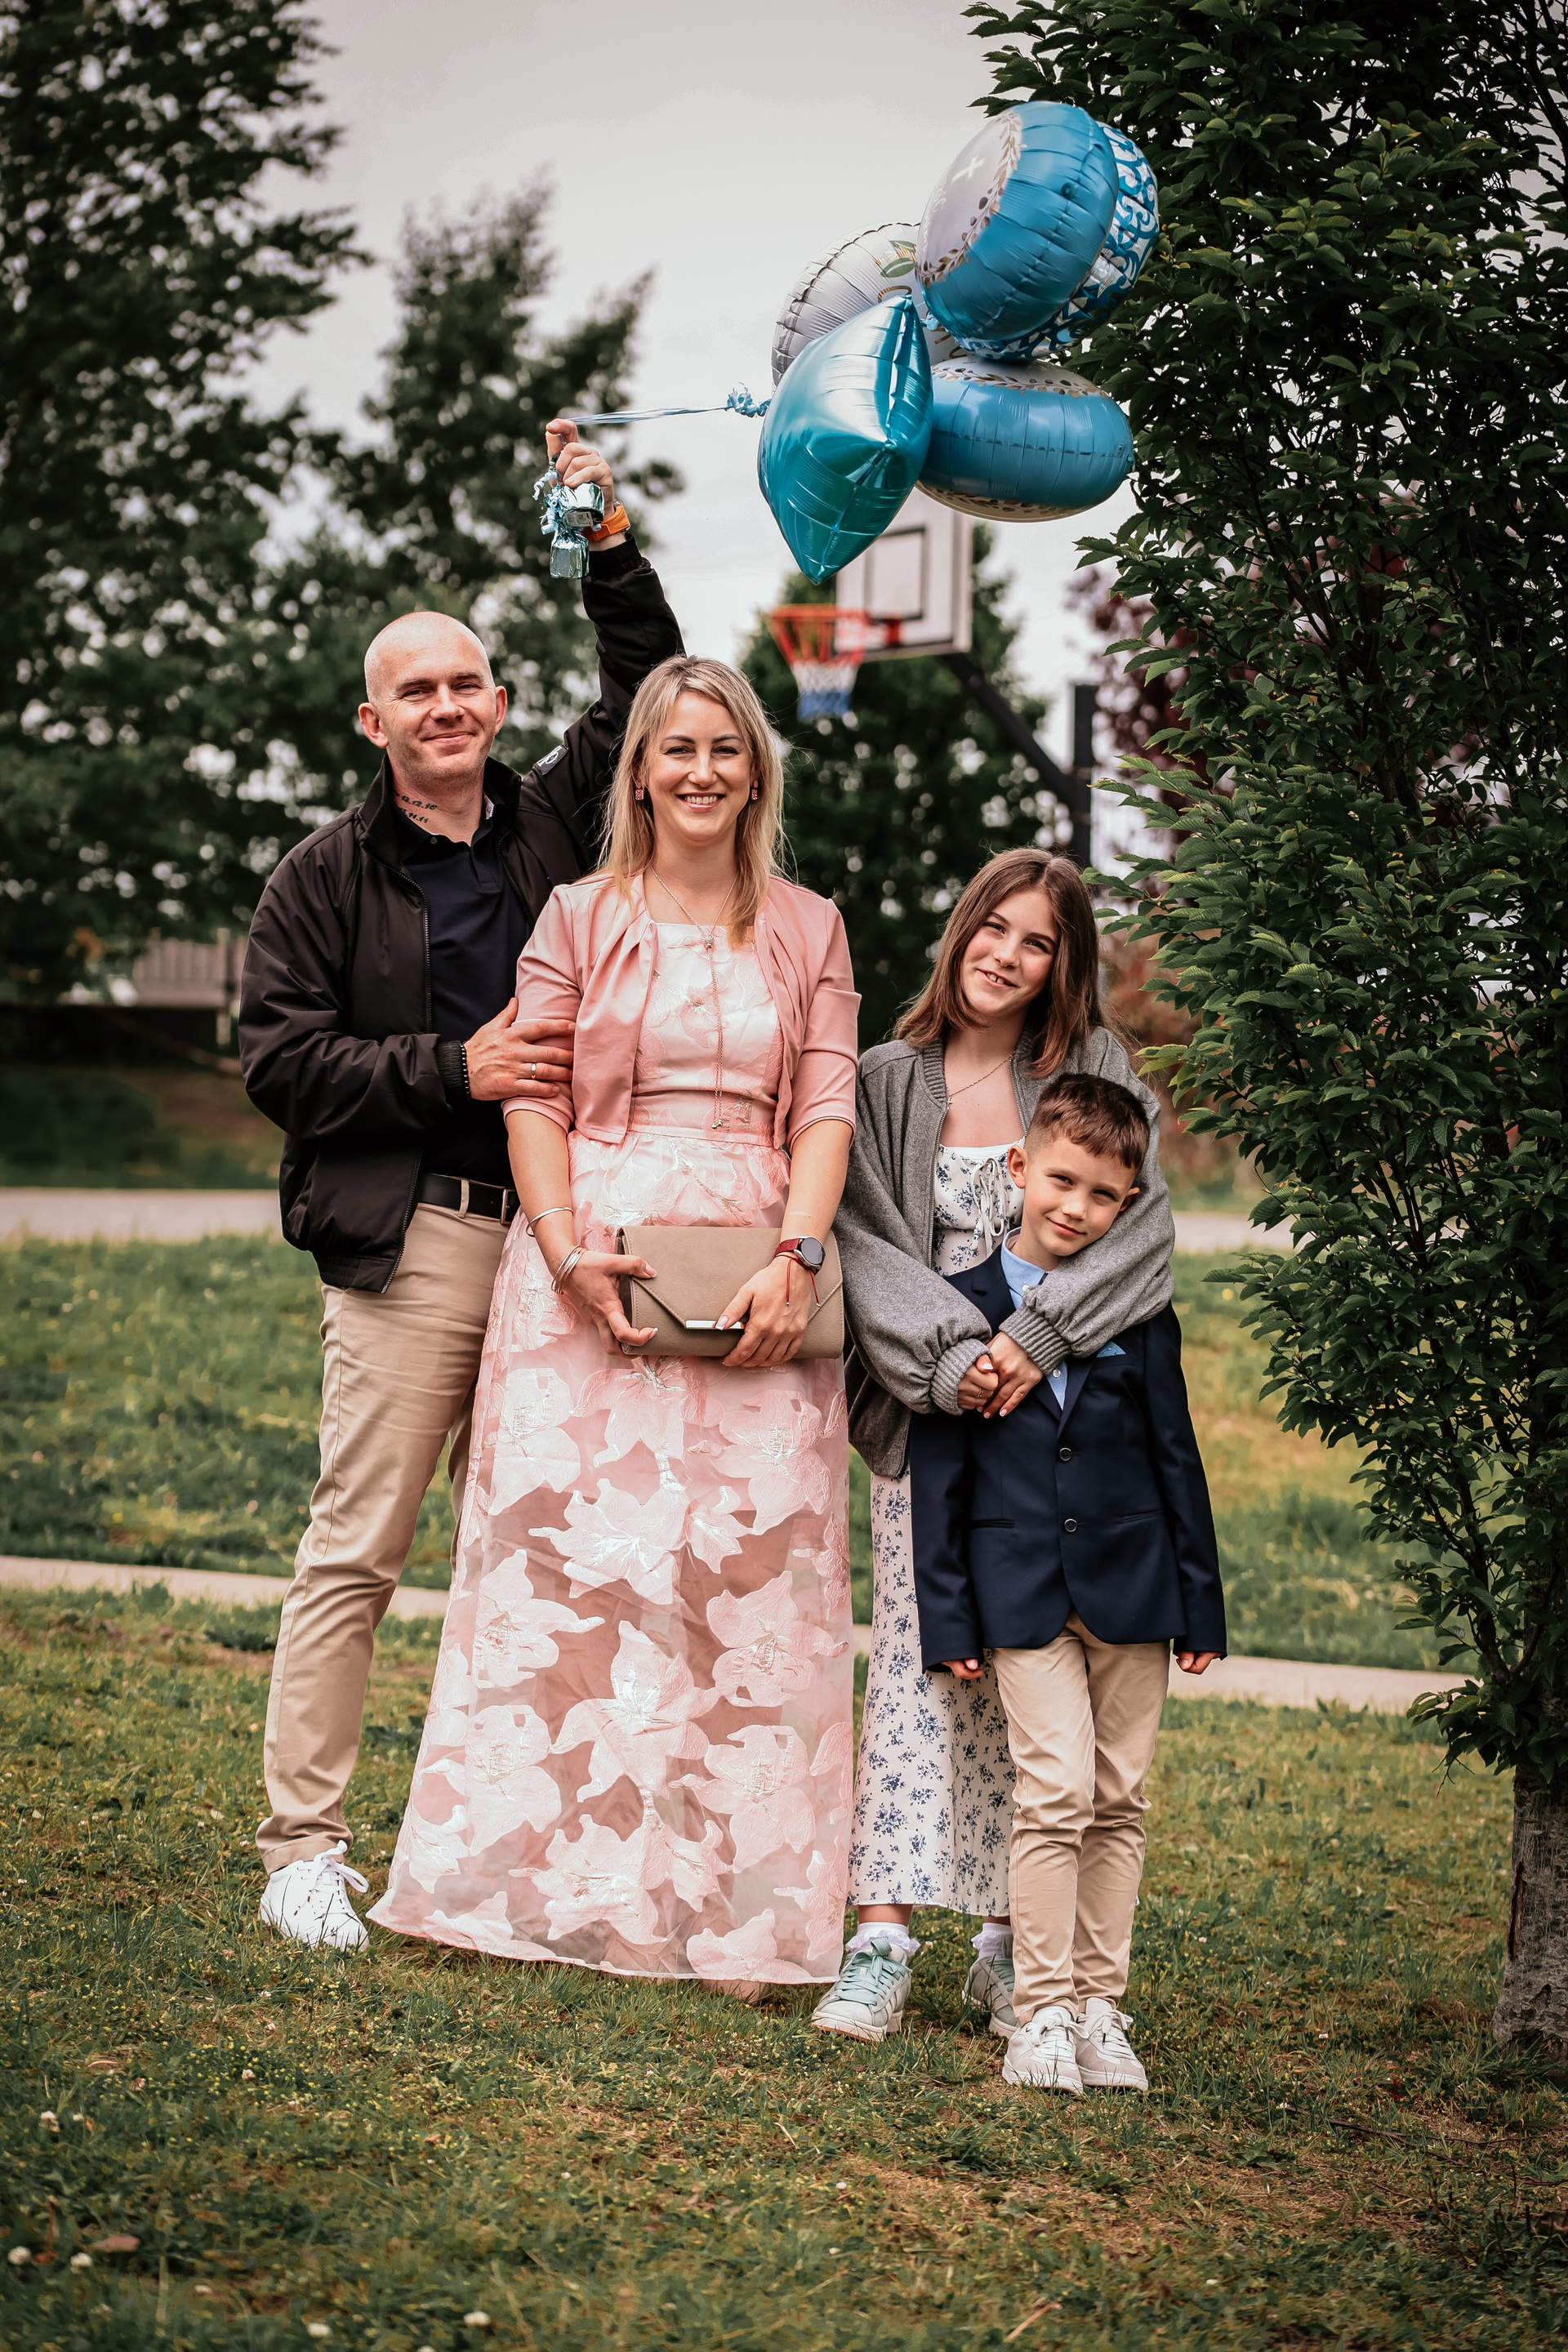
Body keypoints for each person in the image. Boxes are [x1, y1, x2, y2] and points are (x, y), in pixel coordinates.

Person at [239, 424, 684, 1952]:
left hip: (567, 1246)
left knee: (545, 1555)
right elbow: (280, 1063)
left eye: (467, 682)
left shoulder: (554, 818)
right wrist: (455, 1069)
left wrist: (605, 535)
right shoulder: (321, 877)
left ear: (498, 703)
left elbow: (648, 684)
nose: (446, 705)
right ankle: (304, 1849)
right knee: (358, 1551)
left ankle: (523, 1856)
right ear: (374, 720)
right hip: (419, 1239)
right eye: (415, 689)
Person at [368, 655, 860, 1993]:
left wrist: (800, 1258)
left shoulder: (809, 927)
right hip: (592, 1266)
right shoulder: (577, 916)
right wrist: (567, 1247)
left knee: (740, 1582)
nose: (700, 771)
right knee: (575, 1577)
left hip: (754, 1264)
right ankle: (546, 1887)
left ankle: (736, 1913)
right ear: (637, 773)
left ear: (757, 772)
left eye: (725, 749)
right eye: (675, 748)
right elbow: (533, 1093)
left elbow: (826, 1106)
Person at [813, 846, 1177, 2044]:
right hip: (934, 1418)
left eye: (1039, 942)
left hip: (1064, 1433)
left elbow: (1143, 1236)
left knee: (1043, 1676)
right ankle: (880, 1942)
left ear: (1064, 965)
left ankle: (1013, 1947)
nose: (1007, 956)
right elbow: (864, 1240)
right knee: (923, 1664)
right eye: (994, 927)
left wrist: (1034, 1339)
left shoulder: (1094, 1070)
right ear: (961, 927)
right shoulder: (887, 1079)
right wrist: (956, 1363)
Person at [909, 1072, 1225, 2091]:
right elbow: (939, 1484)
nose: (1077, 1207)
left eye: (1101, 1195)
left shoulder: (1143, 1309)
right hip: (1021, 1594)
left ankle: (1098, 2008)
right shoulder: (959, 1310)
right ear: (1020, 1167)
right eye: (1061, 1181)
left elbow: (1176, 1455)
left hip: (1135, 1588)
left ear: (1129, 1205)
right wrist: (947, 1616)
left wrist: (1200, 1602)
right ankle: (1040, 2012)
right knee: (1055, 1794)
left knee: (1120, 1800)